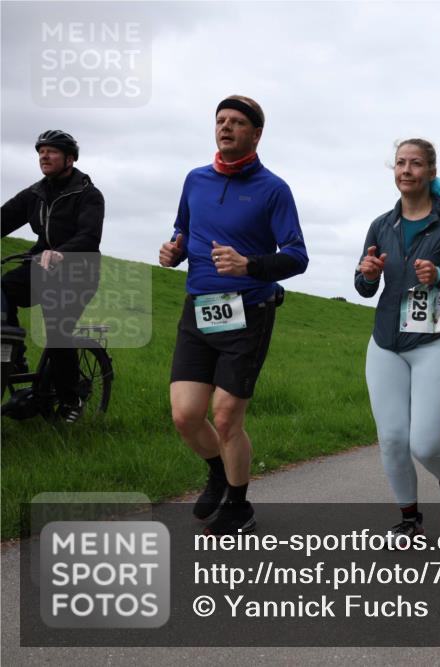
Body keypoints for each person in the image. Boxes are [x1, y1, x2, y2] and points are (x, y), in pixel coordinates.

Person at [160, 95, 308, 535]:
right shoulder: (195, 180)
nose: (225, 127)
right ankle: (219, 473)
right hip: (198, 309)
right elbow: (182, 229)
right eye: (220, 120)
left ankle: (239, 507)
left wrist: (249, 265)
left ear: (256, 134)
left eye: (237, 122)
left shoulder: (273, 189)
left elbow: (297, 256)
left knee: (225, 416)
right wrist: (174, 250)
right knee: (186, 415)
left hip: (248, 311)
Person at [355, 138, 440, 546]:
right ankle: (409, 519)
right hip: (386, 344)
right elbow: (363, 286)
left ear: (431, 172)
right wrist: (368, 274)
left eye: (415, 163)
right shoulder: (382, 225)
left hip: (435, 343)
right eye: (400, 163)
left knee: (426, 444)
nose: (406, 170)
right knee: (393, 440)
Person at [1, 130, 104, 422]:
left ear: (69, 159)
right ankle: (15, 356)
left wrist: (61, 252)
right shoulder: (35, 193)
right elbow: (4, 219)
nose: (44, 156)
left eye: (52, 151)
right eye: (41, 152)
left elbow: (89, 236)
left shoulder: (88, 194)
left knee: (57, 331)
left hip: (77, 273)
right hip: (41, 267)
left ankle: (71, 399)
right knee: (3, 287)